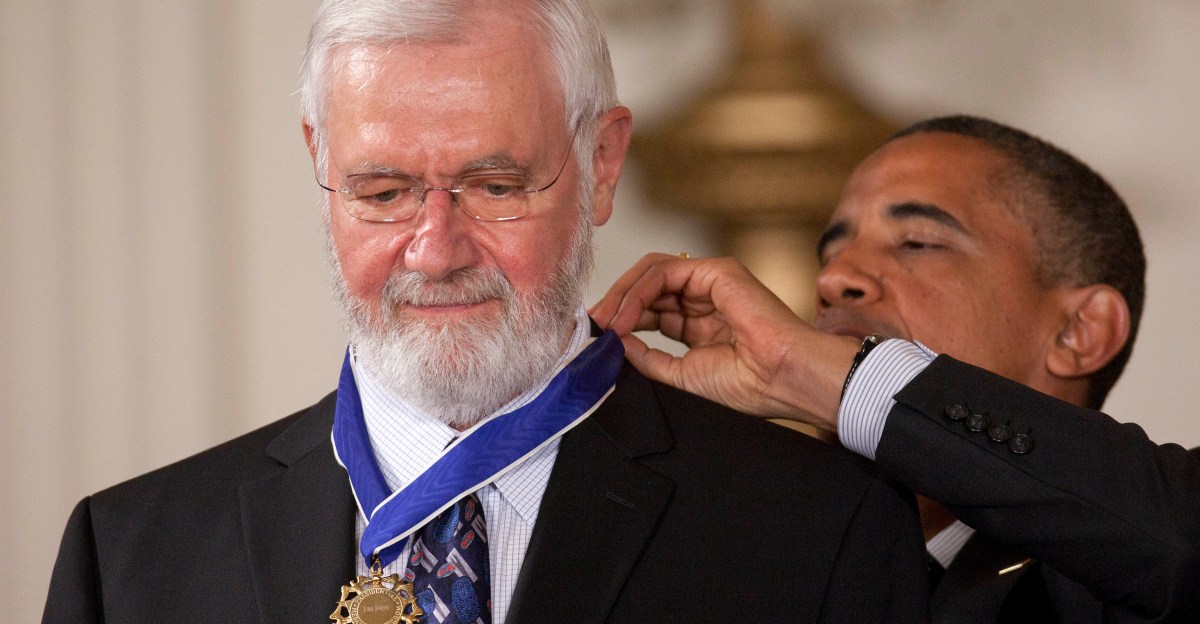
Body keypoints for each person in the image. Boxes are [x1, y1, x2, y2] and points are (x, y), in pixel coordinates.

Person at [42, 1, 929, 623]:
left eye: (496, 186)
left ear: (602, 163)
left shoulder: (817, 527)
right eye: (383, 192)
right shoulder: (129, 558)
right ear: (319, 163)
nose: (436, 251)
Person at [592, 115, 1200, 623]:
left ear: (1079, 331)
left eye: (917, 242)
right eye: (831, 253)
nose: (834, 279)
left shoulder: (1113, 588)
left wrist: (841, 379)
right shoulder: (765, 570)